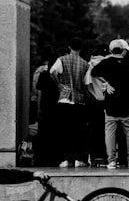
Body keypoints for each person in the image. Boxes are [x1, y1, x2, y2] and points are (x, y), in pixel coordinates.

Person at [91, 39, 129, 169]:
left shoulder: (106, 62)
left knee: (110, 132)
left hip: (111, 103)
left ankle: (111, 161)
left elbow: (93, 73)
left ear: (111, 50)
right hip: (128, 104)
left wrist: (106, 82)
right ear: (123, 50)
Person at [49, 38, 90, 167]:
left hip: (64, 99)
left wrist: (59, 85)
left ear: (69, 47)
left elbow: (52, 72)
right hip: (79, 101)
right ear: (81, 48)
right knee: (78, 132)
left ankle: (64, 159)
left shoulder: (62, 59)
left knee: (64, 131)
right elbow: (86, 83)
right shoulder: (85, 64)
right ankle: (78, 158)